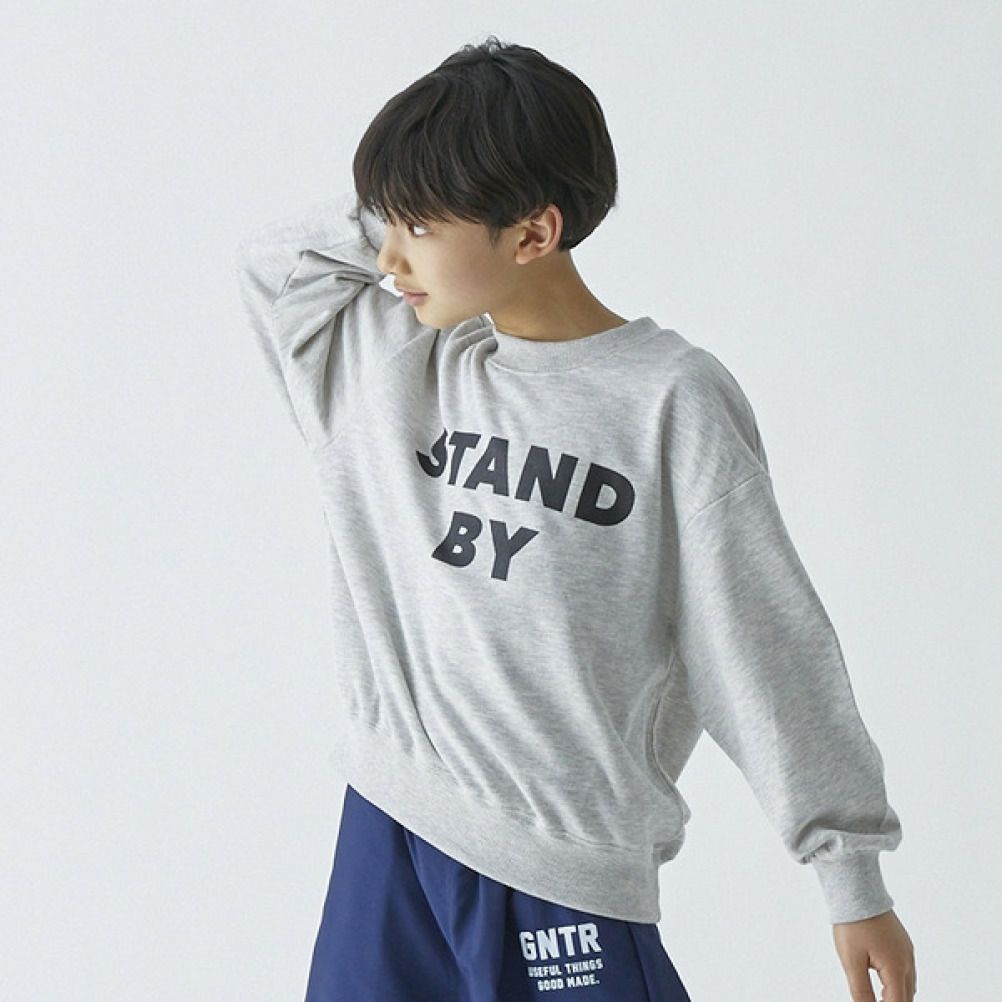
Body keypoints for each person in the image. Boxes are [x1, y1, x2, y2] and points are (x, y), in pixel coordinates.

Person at [234, 34, 917, 1002]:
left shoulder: (668, 401)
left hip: (560, 872)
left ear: (533, 234)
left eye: (417, 228)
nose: (387, 260)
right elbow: (273, 268)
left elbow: (762, 638)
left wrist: (848, 872)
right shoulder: (390, 368)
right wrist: (414, 181)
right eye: (387, 224)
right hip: (387, 842)